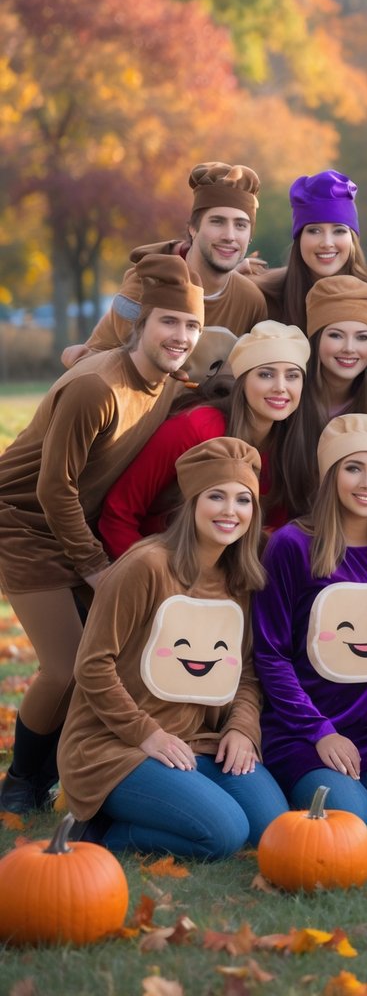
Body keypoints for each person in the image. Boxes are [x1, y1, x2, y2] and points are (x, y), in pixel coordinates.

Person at [0, 255, 205, 813]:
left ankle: (55, 772)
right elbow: (52, 488)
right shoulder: (97, 388)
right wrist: (95, 565)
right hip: (21, 523)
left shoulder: (165, 382)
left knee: (108, 659)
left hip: (73, 526)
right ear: (140, 324)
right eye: (169, 322)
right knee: (66, 667)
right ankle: (21, 782)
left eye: (192, 326)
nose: (181, 336)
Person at [57, 438, 289, 857]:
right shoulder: (146, 566)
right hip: (116, 745)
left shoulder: (243, 579)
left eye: (243, 500)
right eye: (215, 496)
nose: (229, 511)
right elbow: (93, 665)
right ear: (191, 501)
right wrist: (147, 734)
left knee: (270, 826)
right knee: (226, 834)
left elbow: (247, 673)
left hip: (199, 741)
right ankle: (103, 832)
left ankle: (170, 804)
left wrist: (241, 729)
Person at [252, 414, 367, 838]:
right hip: (306, 728)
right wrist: (320, 733)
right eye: (353, 468)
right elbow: (271, 654)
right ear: (330, 475)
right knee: (356, 823)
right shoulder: (292, 546)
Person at [98, 321, 316, 558]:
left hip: (234, 573)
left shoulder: (292, 445)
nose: (281, 387)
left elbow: (274, 534)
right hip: (165, 562)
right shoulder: (196, 427)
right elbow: (119, 513)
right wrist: (151, 579)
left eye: (292, 376)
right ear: (242, 381)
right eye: (266, 374)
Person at [61, 161, 266, 367]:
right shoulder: (146, 285)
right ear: (193, 229)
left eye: (240, 225)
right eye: (217, 221)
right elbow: (133, 371)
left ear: (249, 236)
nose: (229, 236)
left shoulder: (251, 300)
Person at [255, 170, 367, 330]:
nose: (327, 243)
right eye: (314, 230)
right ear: (299, 237)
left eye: (339, 230)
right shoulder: (264, 298)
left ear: (352, 239)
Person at [305, 276, 367, 426]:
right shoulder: (287, 402)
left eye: (362, 337)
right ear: (315, 339)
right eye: (336, 335)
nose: (349, 348)